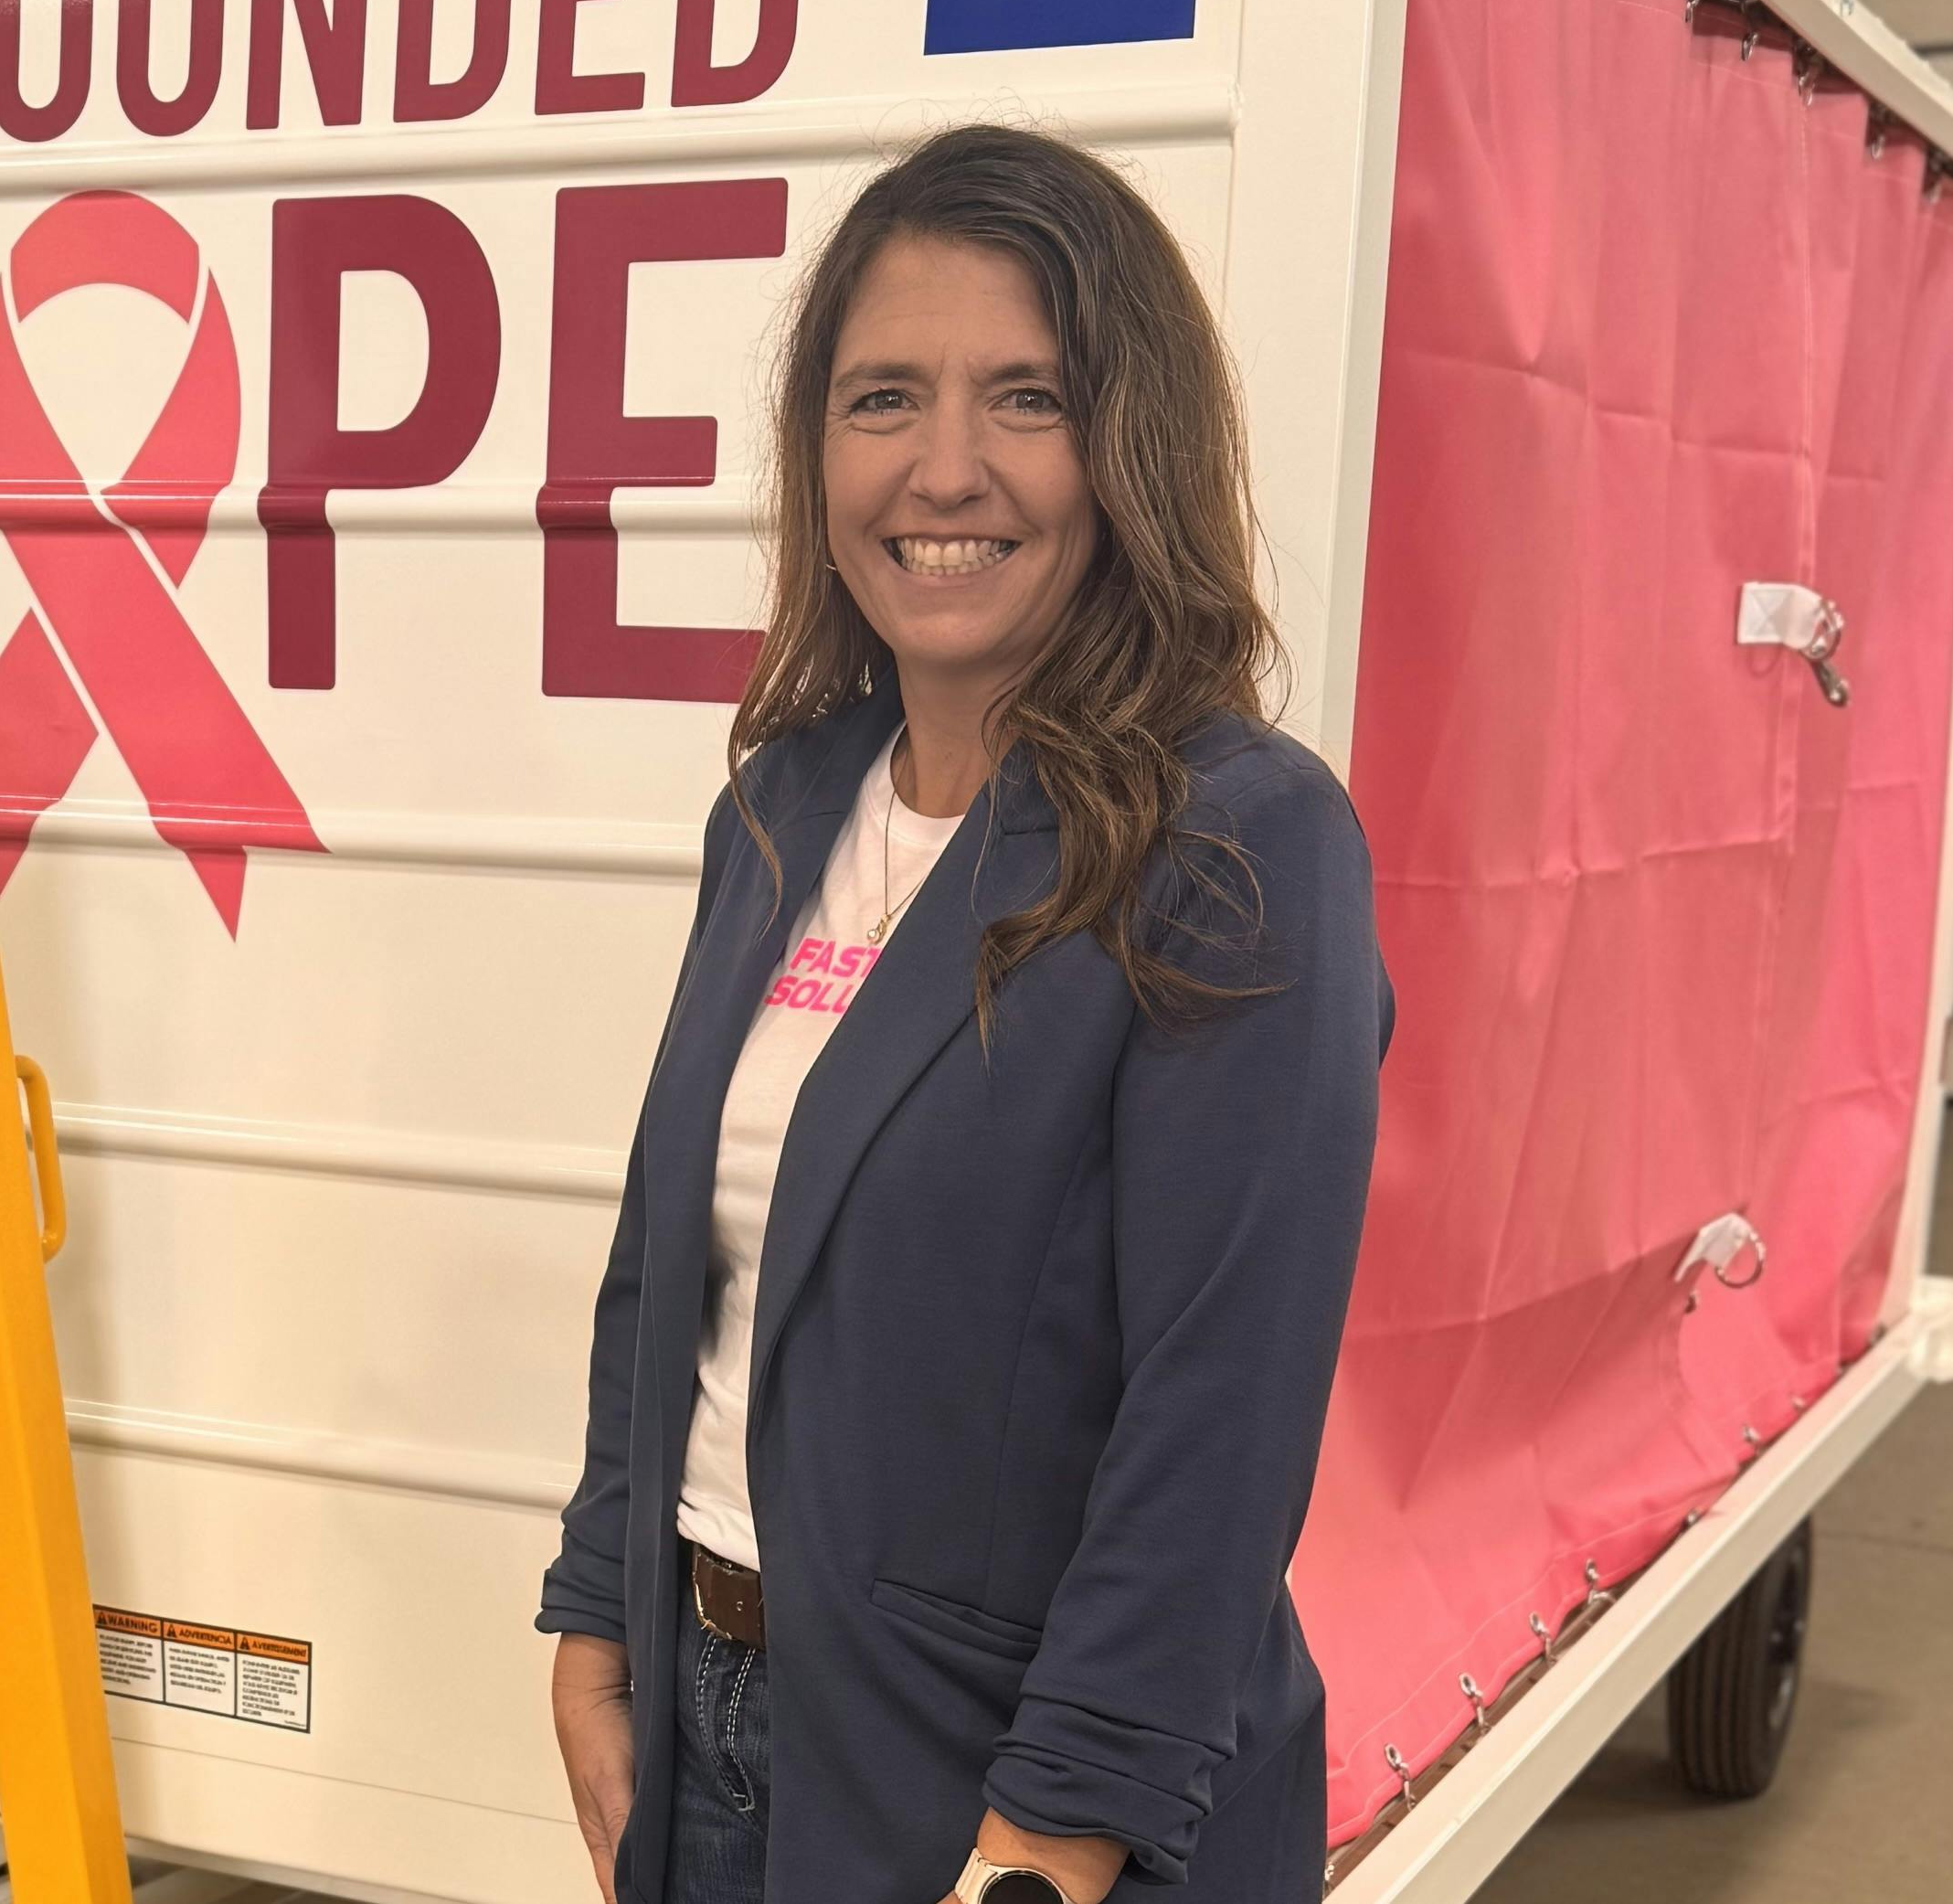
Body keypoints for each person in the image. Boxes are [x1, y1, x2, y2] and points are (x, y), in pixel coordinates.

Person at [536, 124, 1389, 1904]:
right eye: (881, 400)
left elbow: (1218, 1408)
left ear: (1128, 444)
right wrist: (594, 1609)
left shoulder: (1235, 835)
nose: (944, 467)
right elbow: (670, 1262)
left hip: (1003, 1774)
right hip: (705, 1708)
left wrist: (1053, 1832)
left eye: (1024, 397)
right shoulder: (784, 803)